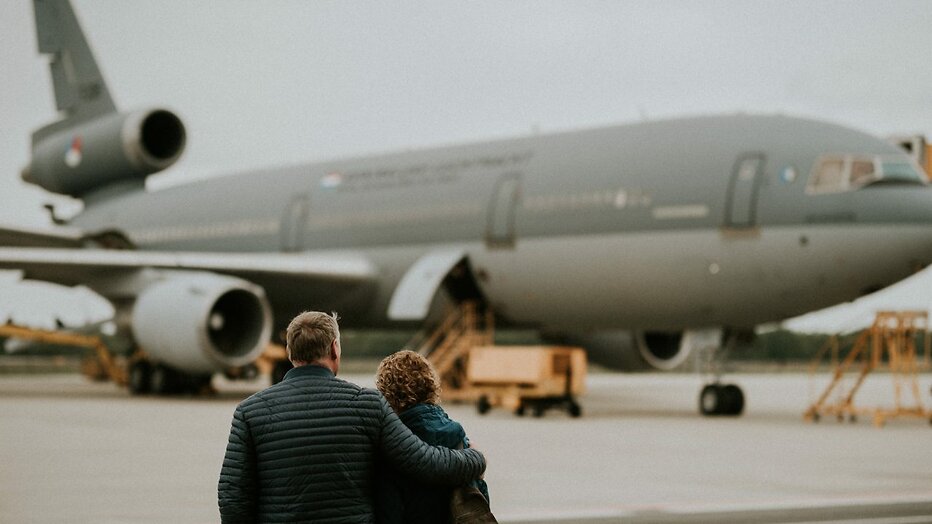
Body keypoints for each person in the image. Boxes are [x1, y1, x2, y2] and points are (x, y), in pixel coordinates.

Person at [218, 312, 486, 523]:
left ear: (290, 353)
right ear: (335, 349)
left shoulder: (249, 412)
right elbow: (425, 462)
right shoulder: (367, 404)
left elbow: (233, 498)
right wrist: (475, 458)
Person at [375, 350, 490, 524]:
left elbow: (389, 510)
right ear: (431, 385)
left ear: (387, 395)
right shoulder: (458, 435)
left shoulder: (392, 443)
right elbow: (478, 498)